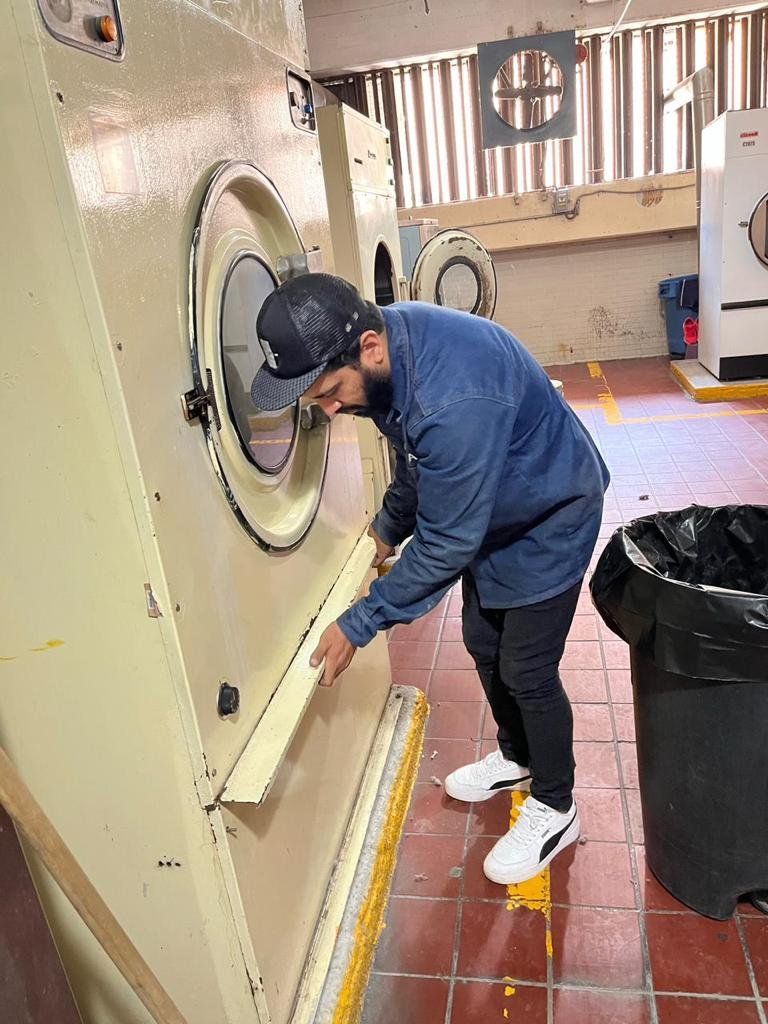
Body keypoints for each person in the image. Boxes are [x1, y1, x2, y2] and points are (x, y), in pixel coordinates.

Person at [250, 273, 609, 885]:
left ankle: (556, 805)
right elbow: (418, 461)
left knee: (527, 668)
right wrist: (387, 527)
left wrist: (360, 622)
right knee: (483, 641)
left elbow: (445, 545)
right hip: (495, 510)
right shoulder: (392, 359)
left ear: (368, 348)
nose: (330, 409)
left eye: (331, 392)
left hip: (550, 513)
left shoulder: (453, 398)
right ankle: (519, 757)